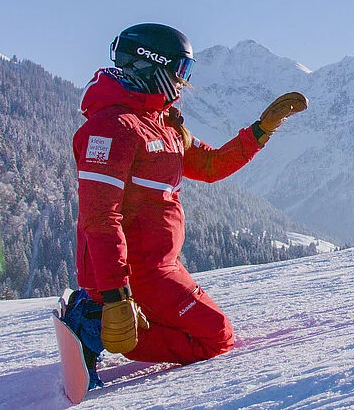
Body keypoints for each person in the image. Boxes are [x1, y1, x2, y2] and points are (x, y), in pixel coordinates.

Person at [61, 23, 308, 384]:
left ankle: (98, 313)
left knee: (208, 330)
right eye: (181, 71)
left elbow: (210, 166)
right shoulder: (113, 128)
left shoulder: (160, 124)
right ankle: (94, 323)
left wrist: (260, 131)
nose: (183, 83)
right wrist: (115, 295)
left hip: (160, 266)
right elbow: (100, 219)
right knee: (215, 336)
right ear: (151, 66)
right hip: (135, 272)